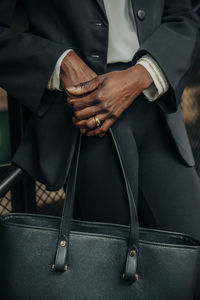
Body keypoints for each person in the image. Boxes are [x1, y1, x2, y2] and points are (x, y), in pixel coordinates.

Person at [0, 0, 200, 297]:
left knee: (192, 256)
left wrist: (141, 74)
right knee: (108, 273)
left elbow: (185, 14)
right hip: (85, 118)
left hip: (156, 110)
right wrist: (59, 61)